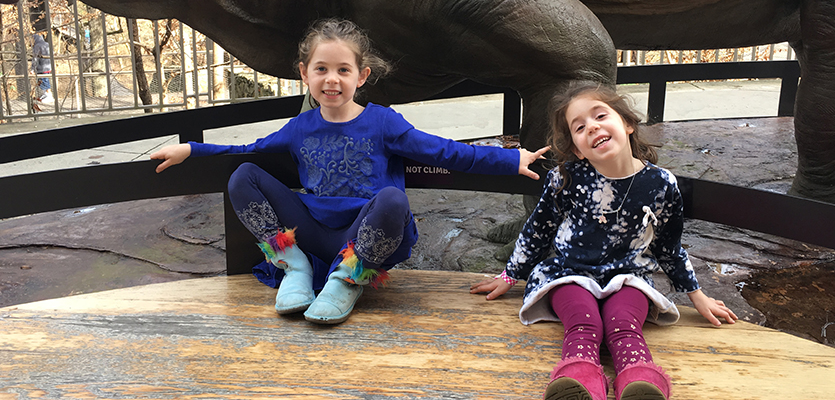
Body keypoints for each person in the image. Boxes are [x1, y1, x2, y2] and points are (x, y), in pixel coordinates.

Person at [152, 18, 548, 325]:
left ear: (362, 76)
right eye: (321, 69)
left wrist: (511, 160)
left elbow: (442, 151)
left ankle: (346, 280)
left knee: (393, 199)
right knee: (243, 176)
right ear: (305, 74)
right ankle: (294, 267)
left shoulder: (383, 123)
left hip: (362, 237)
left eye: (343, 70)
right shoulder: (299, 127)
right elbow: (248, 150)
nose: (332, 79)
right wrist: (191, 148)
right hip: (311, 232)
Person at [471, 80, 736, 400]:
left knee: (623, 324)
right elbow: (538, 228)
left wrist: (696, 294)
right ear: (575, 148)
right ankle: (578, 380)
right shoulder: (565, 179)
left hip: (629, 276)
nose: (592, 128)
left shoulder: (660, 183)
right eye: (579, 127)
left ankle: (641, 381)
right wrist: (510, 275)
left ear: (627, 124)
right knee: (584, 324)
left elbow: (668, 245)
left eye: (600, 116)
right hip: (568, 274)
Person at [31, 34, 52, 103]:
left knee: (44, 80)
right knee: (44, 80)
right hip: (48, 65)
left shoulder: (37, 46)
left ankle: (49, 95)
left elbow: (35, 58)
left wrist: (33, 68)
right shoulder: (47, 44)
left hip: (42, 67)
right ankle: (45, 94)